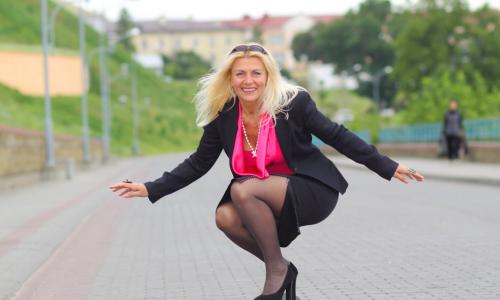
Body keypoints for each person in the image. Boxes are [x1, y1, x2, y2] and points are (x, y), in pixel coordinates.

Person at [110, 43, 425, 300]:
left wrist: (387, 165)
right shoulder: (224, 116)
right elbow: (198, 162)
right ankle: (281, 269)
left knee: (242, 189)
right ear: (230, 79)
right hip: (264, 196)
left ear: (268, 75)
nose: (248, 80)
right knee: (225, 217)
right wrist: (152, 188)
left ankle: (275, 273)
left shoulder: (293, 103)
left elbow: (337, 135)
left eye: (256, 73)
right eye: (240, 74)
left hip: (311, 190)